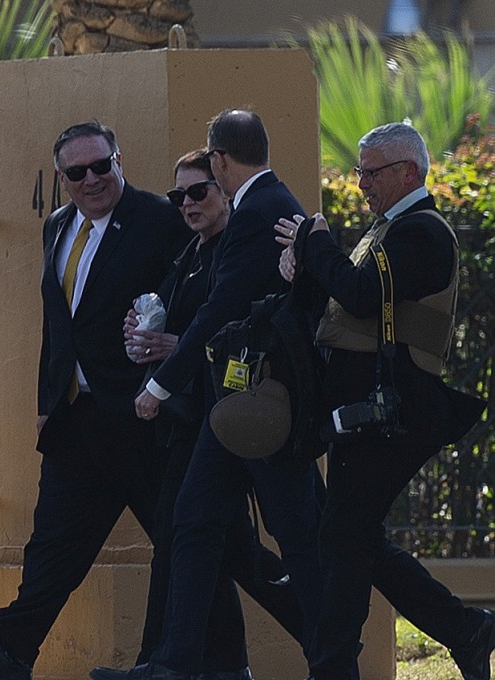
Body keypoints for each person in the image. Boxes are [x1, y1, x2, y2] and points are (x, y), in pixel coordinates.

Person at [0, 121, 191, 680]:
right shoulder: (57, 226)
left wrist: (173, 359)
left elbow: (198, 295)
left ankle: (207, 660)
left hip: (142, 416)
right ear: (62, 177)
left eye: (103, 165)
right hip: (78, 419)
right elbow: (58, 327)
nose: (92, 179)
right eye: (78, 172)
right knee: (52, 547)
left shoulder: (157, 220)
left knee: (186, 541)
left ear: (119, 161)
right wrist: (48, 401)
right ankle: (9, 655)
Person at [91, 109, 323, 680]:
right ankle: (173, 663)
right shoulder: (260, 213)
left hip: (258, 407)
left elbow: (222, 312)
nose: (190, 202)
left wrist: (159, 383)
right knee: (195, 521)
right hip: (232, 407)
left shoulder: (258, 213)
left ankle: (334, 656)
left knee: (299, 535)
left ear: (220, 162)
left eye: (200, 186)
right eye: (180, 196)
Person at [275, 121, 494, 680]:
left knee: (344, 537)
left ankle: (334, 668)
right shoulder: (388, 228)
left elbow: (360, 292)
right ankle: (465, 630)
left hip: (395, 410)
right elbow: (343, 303)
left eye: (371, 173)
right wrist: (302, 269)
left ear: (408, 172)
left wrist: (318, 242)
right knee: (352, 535)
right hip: (364, 411)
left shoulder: (423, 233)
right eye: (359, 172)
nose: (362, 184)